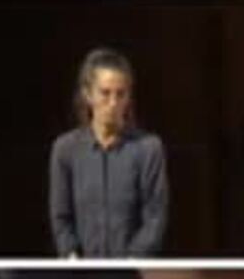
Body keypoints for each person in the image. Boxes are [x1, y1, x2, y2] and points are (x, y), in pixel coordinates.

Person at [50, 49, 168, 260]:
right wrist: (71, 256)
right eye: (105, 93)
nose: (113, 103)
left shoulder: (149, 149)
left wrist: (131, 261)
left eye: (120, 94)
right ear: (88, 94)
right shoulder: (65, 150)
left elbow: (155, 217)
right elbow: (61, 218)